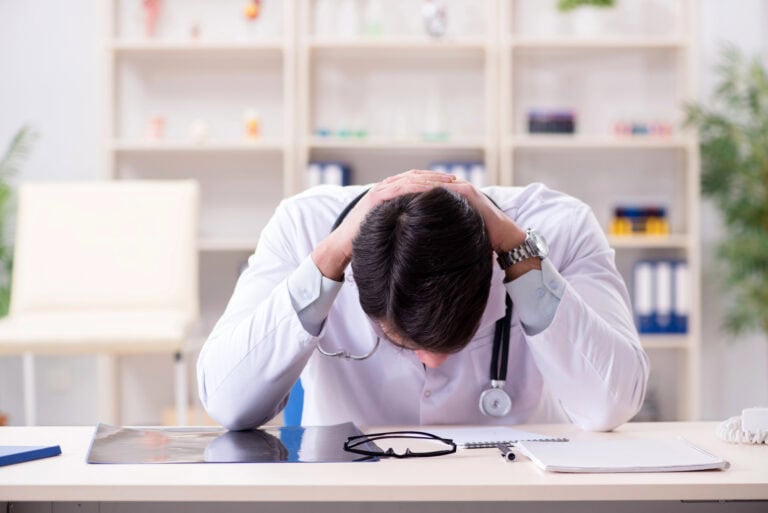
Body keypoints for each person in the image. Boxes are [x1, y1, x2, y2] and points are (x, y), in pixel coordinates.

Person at [197, 170, 649, 431]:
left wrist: (520, 254)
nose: (431, 364)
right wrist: (328, 258)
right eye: (401, 342)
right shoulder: (301, 228)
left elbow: (611, 403)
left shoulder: (563, 228)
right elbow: (226, 400)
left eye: (455, 339)